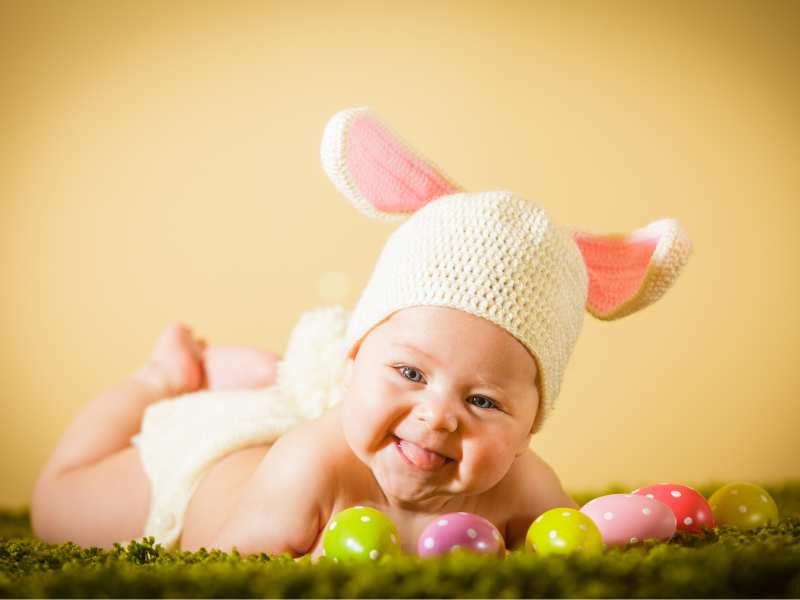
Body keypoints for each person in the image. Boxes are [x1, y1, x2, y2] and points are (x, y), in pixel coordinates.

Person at [30, 107, 692, 559]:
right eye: (409, 373)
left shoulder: (524, 488)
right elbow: (224, 564)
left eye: (483, 401)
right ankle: (169, 377)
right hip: (194, 474)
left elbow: (570, 542)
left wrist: (623, 523)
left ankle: (249, 373)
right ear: (355, 355)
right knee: (55, 506)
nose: (436, 418)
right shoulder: (310, 469)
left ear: (530, 428)